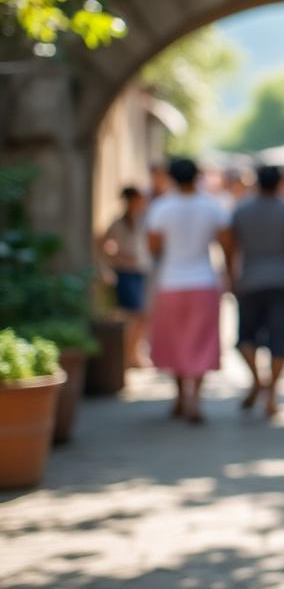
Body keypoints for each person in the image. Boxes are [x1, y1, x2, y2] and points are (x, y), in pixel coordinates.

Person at [223, 165, 284, 418]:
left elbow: (230, 246)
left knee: (245, 338)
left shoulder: (241, 210)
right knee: (279, 340)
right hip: (283, 281)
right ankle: (271, 391)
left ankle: (258, 382)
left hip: (250, 280)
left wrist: (230, 276)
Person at [145, 158, 230, 424]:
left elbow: (153, 246)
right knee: (201, 341)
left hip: (171, 282)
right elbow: (227, 243)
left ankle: (181, 395)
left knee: (175, 340)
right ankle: (196, 398)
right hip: (203, 281)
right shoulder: (212, 206)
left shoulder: (161, 208)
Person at [101, 186, 152, 367]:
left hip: (142, 270)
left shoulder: (145, 219)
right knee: (133, 314)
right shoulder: (118, 222)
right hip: (125, 272)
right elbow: (102, 243)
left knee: (142, 315)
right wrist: (117, 258)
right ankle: (128, 355)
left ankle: (134, 353)